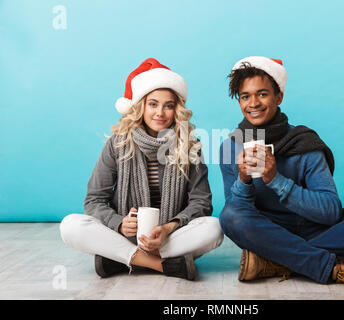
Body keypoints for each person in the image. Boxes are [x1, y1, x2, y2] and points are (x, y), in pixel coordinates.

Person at [218, 56, 344, 289]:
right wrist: (244, 180)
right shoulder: (231, 147)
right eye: (245, 96)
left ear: (279, 96)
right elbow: (236, 211)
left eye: (263, 94)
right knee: (229, 217)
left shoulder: (303, 142)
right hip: (268, 230)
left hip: (315, 226)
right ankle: (334, 266)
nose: (253, 103)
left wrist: (275, 180)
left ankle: (276, 261)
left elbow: (330, 211)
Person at [60, 58, 223, 280]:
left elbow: (201, 202)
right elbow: (94, 200)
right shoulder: (118, 143)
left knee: (213, 228)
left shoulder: (190, 146)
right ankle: (162, 265)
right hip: (126, 235)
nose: (160, 113)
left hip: (169, 236)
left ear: (177, 109)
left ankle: (122, 259)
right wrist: (119, 224)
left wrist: (168, 228)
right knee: (71, 225)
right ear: (140, 107)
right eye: (153, 104)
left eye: (169, 105)